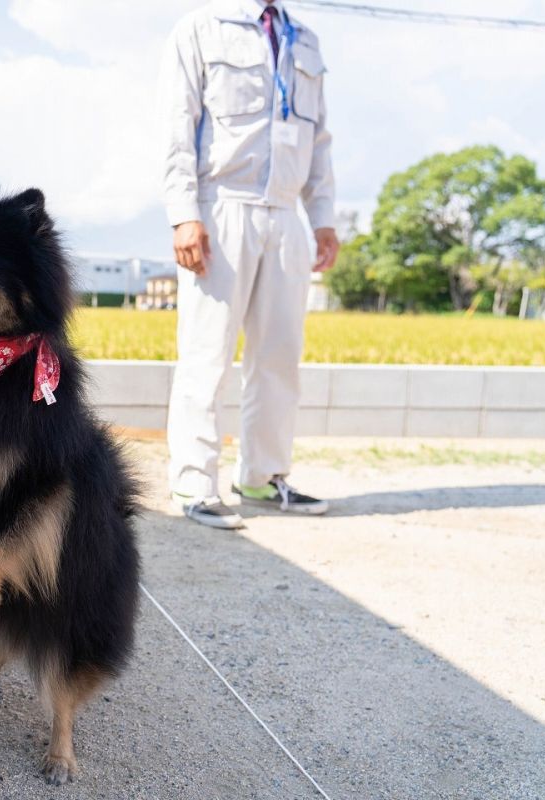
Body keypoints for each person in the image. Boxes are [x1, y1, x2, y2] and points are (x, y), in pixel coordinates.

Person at [159, 0, 339, 530]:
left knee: (280, 354)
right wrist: (183, 214)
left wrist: (322, 215)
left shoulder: (305, 39)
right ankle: (193, 483)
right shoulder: (200, 27)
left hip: (286, 215)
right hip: (222, 207)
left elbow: (319, 138)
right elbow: (177, 124)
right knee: (206, 353)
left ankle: (263, 476)